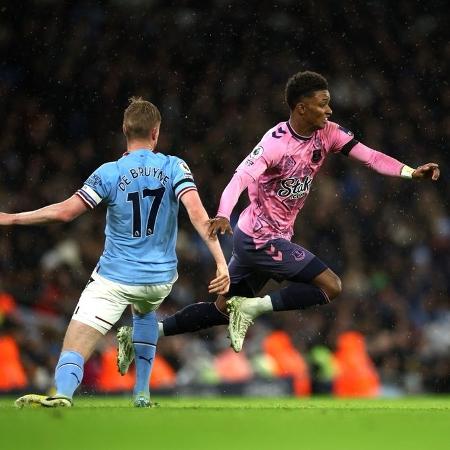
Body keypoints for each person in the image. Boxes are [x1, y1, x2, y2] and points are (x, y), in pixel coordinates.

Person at [117, 70, 440, 371]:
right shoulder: (274, 143)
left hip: (271, 237)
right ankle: (253, 308)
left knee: (220, 310)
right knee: (331, 286)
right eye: (322, 104)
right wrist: (223, 214)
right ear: (301, 108)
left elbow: (370, 157)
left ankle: (142, 335)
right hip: (258, 238)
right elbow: (240, 178)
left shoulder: (328, 134)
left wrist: (411, 172)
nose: (329, 111)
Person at [1, 97, 230, 408]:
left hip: (116, 278)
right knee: (145, 310)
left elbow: (65, 212)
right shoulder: (175, 166)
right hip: (160, 279)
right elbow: (199, 216)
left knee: (76, 340)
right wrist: (221, 264)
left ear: (125, 130)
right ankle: (142, 393)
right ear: (156, 132)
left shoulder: (110, 172)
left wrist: (13, 218)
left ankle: (63, 394)